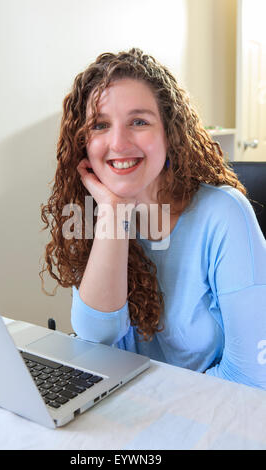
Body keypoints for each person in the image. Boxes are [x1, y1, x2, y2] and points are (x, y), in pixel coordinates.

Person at [40, 48, 266, 390]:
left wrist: (154, 407)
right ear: (84, 142)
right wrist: (114, 214)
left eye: (139, 121)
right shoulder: (94, 210)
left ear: (169, 133)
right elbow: (97, 339)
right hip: (125, 412)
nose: (118, 142)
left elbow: (252, 377)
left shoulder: (223, 215)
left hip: (205, 423)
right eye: (100, 125)